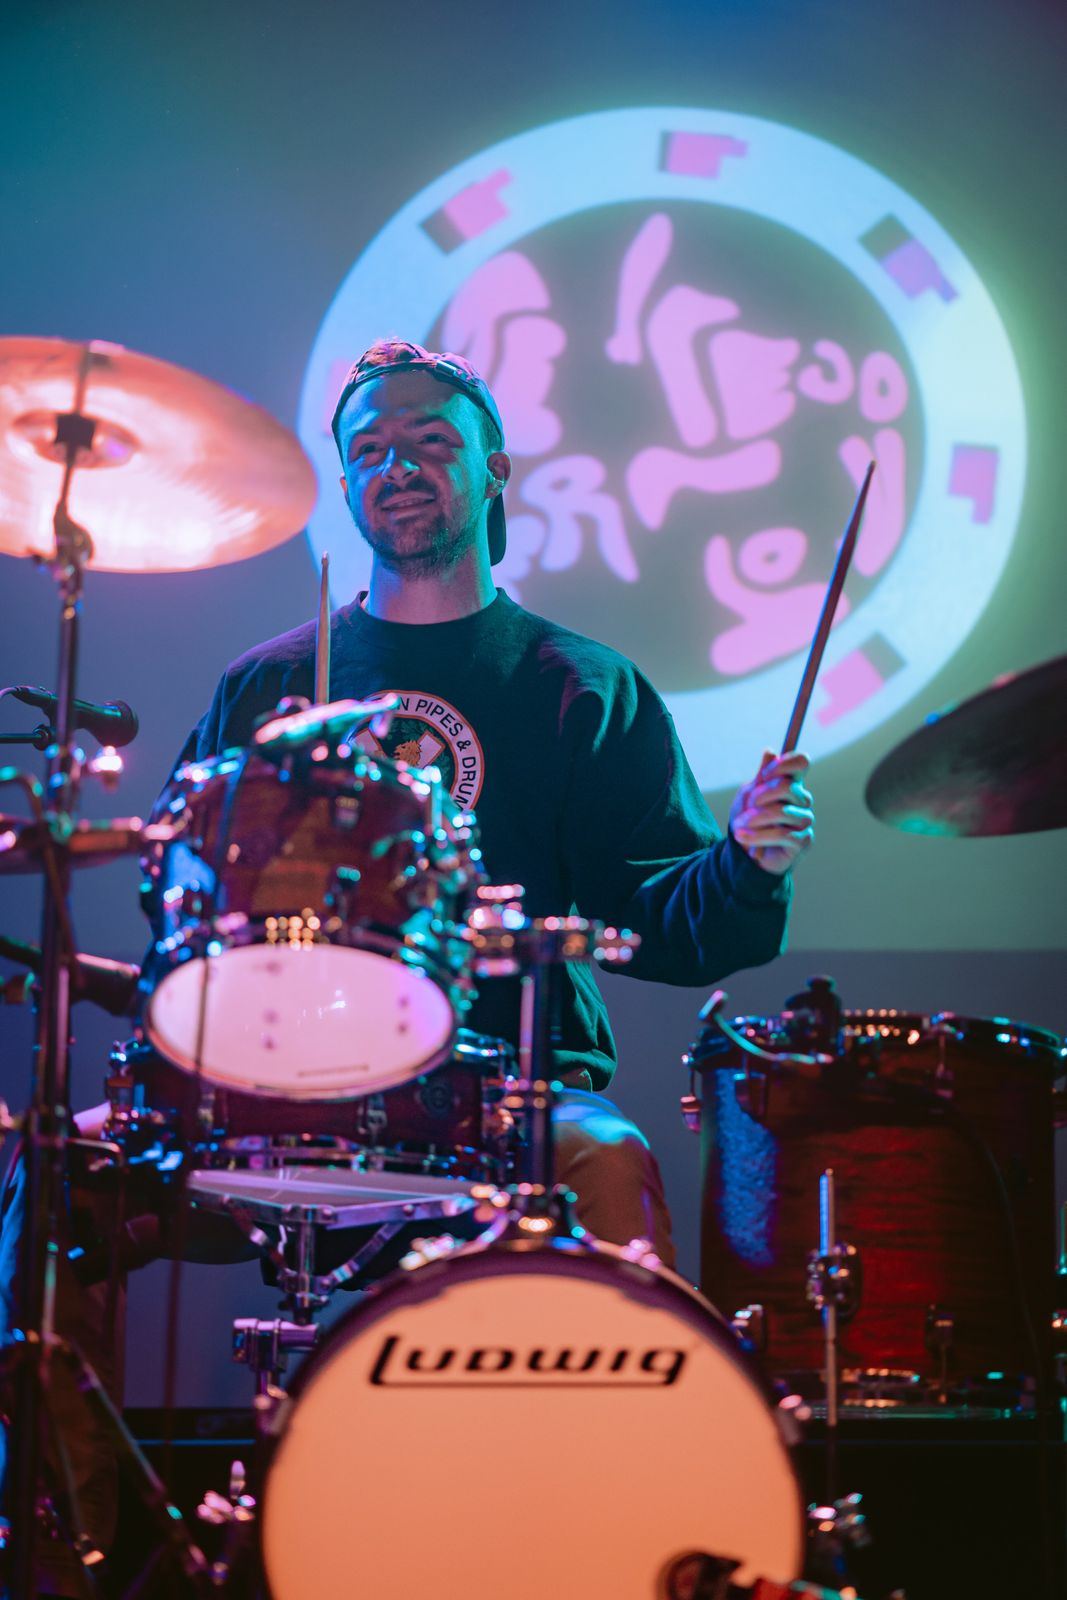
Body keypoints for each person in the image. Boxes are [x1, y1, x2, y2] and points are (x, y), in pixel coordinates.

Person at [1, 339, 814, 1593]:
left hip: (496, 1109)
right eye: (370, 449)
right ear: (345, 483)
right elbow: (181, 916)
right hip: (271, 1101)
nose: (399, 466)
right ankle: (66, 1565)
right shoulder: (268, 684)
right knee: (56, 1175)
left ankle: (627, 1545)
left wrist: (747, 863)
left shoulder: (581, 687)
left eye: (431, 441)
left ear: (496, 471)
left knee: (606, 1158)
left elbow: (674, 920)